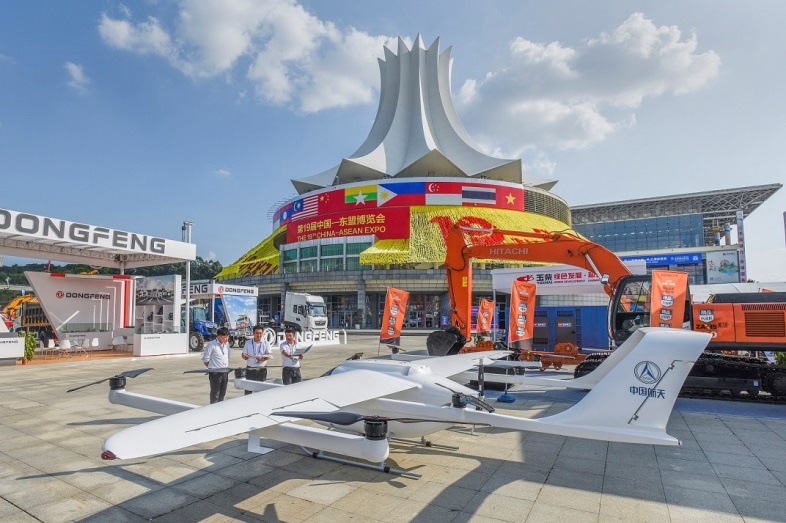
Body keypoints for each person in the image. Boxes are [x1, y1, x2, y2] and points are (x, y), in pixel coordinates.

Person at [202, 326, 231, 403]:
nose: (226, 339)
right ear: (219, 336)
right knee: (215, 393)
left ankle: (220, 409)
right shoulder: (211, 345)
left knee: (223, 393)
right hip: (215, 373)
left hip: (225, 371)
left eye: (227, 337)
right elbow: (205, 360)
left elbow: (228, 356)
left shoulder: (227, 344)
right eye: (224, 337)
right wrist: (212, 368)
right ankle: (213, 409)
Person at [241, 324, 272, 394]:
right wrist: (245, 357)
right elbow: (243, 354)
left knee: (260, 390)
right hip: (250, 369)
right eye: (257, 333)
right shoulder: (248, 343)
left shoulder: (266, 343)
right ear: (253, 333)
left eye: (260, 333)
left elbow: (269, 354)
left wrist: (263, 359)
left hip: (261, 370)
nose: (259, 335)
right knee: (248, 389)